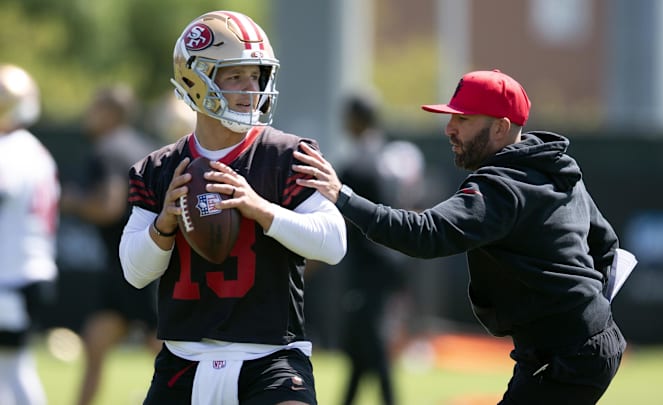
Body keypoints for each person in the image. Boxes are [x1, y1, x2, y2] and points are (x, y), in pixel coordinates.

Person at [294, 69, 627, 404]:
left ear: (500, 126)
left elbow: (426, 234)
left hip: (564, 356)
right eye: (451, 117)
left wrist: (343, 197)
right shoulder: (553, 166)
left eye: (463, 119)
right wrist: (588, 313)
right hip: (582, 345)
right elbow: (606, 245)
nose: (449, 128)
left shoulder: (501, 186)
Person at [118, 10, 346, 405]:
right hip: (182, 359)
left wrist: (260, 208)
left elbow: (334, 244)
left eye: (256, 75)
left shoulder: (288, 155)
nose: (250, 88)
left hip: (271, 359)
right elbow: (135, 272)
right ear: (195, 78)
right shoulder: (158, 169)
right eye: (235, 75)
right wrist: (165, 223)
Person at [59, 85, 160, 405]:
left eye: (95, 108)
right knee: (96, 340)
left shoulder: (108, 150)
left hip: (134, 267)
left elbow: (109, 206)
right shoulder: (143, 146)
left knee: (166, 355)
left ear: (111, 113)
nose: (89, 114)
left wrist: (72, 202)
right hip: (144, 262)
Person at [335, 93, 410, 405]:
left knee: (372, 341)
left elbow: (342, 218)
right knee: (360, 343)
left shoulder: (358, 164)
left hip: (369, 265)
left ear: (356, 119)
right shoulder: (389, 159)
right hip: (391, 261)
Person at [0, 64, 60, 405]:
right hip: (31, 271)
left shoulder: (8, 150)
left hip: (12, 277)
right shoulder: (36, 150)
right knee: (10, 368)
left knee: (13, 368)